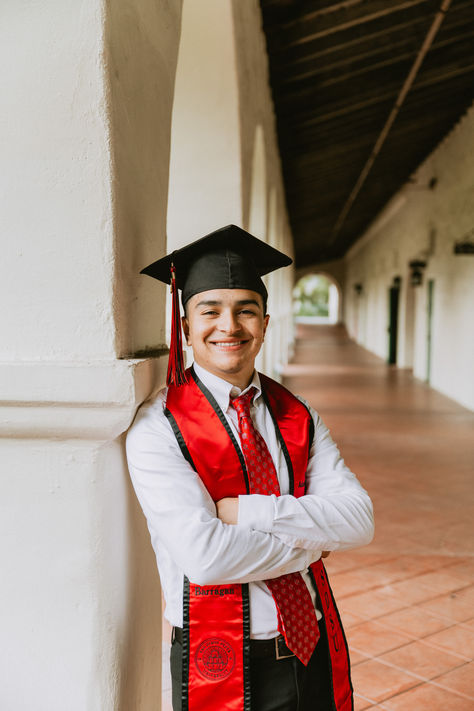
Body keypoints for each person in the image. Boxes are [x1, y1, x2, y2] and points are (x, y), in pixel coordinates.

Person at [126, 224, 374, 711]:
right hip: (221, 659)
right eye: (210, 310)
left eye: (246, 310)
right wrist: (311, 543)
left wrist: (247, 512)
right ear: (185, 327)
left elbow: (359, 520)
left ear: (265, 323)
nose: (229, 326)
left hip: (314, 646)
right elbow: (207, 560)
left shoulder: (298, 415)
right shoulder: (159, 429)